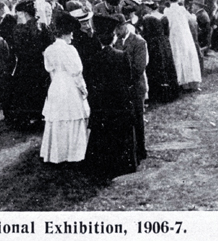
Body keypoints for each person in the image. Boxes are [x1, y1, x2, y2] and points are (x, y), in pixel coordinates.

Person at [83, 14, 137, 178]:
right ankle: (123, 164)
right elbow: (129, 78)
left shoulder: (93, 59)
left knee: (102, 133)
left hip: (102, 101)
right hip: (119, 100)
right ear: (113, 38)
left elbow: (90, 81)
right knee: (120, 132)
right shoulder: (122, 55)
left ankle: (101, 164)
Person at [40, 13, 90, 165]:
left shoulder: (49, 50)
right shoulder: (70, 50)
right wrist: (83, 89)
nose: (72, 37)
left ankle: (57, 153)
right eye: (71, 33)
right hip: (69, 85)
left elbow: (49, 68)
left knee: (58, 118)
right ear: (66, 33)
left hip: (56, 85)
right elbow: (76, 72)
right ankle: (74, 153)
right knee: (73, 117)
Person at [6, 0, 54, 129]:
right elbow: (50, 45)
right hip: (40, 64)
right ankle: (40, 117)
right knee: (40, 90)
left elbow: (15, 48)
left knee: (25, 91)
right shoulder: (43, 26)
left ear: (24, 13)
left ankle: (26, 118)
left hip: (25, 65)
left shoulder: (18, 29)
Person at [114, 12, 149, 162]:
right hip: (121, 88)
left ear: (125, 26)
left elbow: (138, 68)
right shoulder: (115, 42)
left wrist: (121, 78)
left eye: (119, 28)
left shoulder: (138, 42)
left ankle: (141, 150)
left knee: (137, 119)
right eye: (115, 29)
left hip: (135, 87)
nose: (116, 32)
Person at [162, 0, 201, 89]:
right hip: (185, 35)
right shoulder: (182, 9)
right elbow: (192, 19)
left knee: (177, 56)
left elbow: (166, 24)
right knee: (187, 55)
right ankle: (190, 81)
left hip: (174, 36)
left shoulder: (167, 11)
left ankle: (180, 81)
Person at [141, 0, 179, 102]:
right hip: (163, 43)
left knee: (155, 66)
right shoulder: (163, 17)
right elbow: (167, 32)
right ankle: (168, 91)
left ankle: (157, 93)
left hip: (153, 44)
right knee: (165, 65)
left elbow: (146, 33)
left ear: (148, 8)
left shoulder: (147, 18)